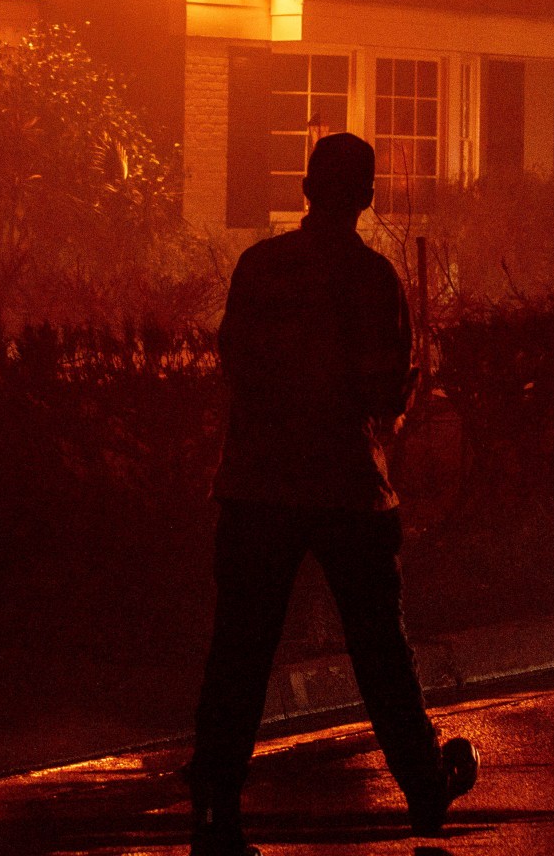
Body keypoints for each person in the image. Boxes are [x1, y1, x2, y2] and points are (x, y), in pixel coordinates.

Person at [184, 132, 478, 856]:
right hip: (349, 488)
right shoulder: (375, 281)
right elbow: (387, 390)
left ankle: (217, 804)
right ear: (366, 198)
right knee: (381, 647)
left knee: (240, 651)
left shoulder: (260, 269)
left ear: (308, 190)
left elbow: (235, 364)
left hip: (256, 486)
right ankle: (423, 786)